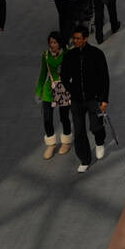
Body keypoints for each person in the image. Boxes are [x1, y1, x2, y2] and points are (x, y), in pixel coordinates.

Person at [60, 25, 109, 173]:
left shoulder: (97, 54)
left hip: (93, 98)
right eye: (74, 38)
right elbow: (63, 76)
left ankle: (100, 141)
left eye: (78, 38)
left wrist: (104, 99)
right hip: (76, 100)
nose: (75, 41)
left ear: (86, 38)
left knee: (96, 126)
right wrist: (71, 90)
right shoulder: (70, 56)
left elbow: (104, 78)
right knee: (79, 130)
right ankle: (85, 159)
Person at [36, 31, 73, 160]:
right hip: (49, 90)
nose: (52, 45)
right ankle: (51, 143)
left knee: (64, 117)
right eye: (50, 42)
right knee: (47, 118)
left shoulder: (67, 53)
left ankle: (66, 140)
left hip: (63, 88)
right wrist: (38, 91)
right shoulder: (45, 56)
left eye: (55, 42)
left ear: (60, 43)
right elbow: (42, 74)